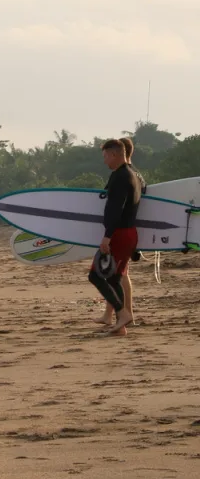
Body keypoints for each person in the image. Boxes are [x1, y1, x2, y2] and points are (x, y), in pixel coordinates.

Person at [88, 139, 141, 337]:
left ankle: (123, 314)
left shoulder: (121, 177)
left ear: (114, 154)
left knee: (96, 275)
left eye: (105, 157)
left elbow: (116, 210)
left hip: (120, 233)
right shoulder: (133, 175)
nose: (104, 162)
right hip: (127, 233)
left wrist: (107, 237)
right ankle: (121, 325)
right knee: (115, 278)